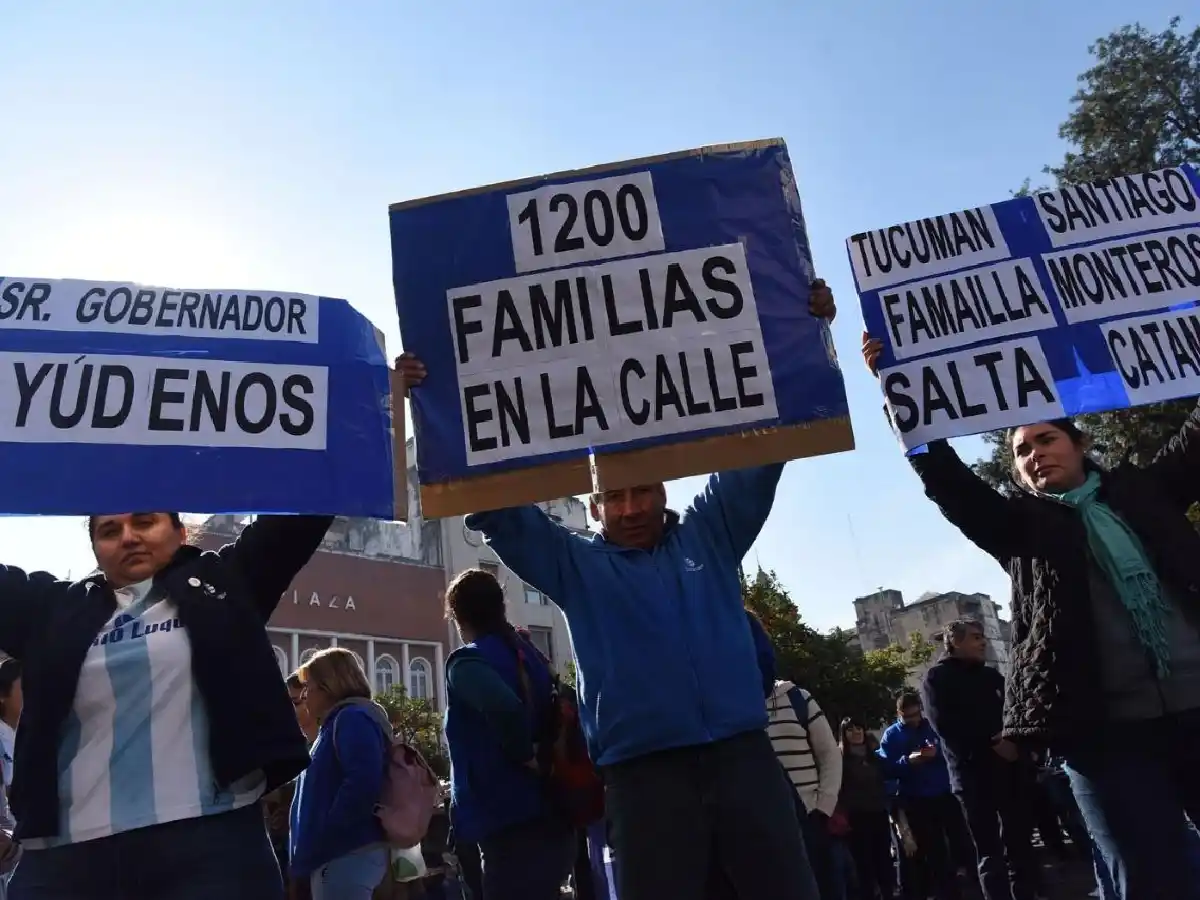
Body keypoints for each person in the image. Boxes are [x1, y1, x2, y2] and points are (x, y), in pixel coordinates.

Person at [398, 279, 837, 900]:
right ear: (594, 505)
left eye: (644, 491)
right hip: (643, 778)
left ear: (666, 491)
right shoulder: (574, 566)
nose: (631, 508)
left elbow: (764, 445)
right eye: (615, 497)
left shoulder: (711, 536)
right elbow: (496, 506)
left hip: (744, 762)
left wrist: (805, 329)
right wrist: (435, 393)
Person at [864, 332, 1200, 900]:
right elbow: (948, 483)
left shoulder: (1146, 491)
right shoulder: (1020, 527)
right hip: (1103, 738)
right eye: (1021, 451)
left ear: (1080, 442)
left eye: (1046, 439)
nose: (1034, 453)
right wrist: (899, 394)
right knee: (1148, 879)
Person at [0, 511, 330, 899]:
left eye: (144, 522)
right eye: (109, 531)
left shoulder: (228, 583)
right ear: (94, 548)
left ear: (180, 531)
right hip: (67, 858)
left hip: (210, 847)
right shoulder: (51, 609)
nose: (128, 537)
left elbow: (302, 511)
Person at [442, 568, 575, 900]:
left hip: (504, 815)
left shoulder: (467, 662)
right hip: (552, 805)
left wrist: (525, 755)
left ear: (457, 615)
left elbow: (504, 707)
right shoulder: (529, 654)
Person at [922, 620, 1040, 900]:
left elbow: (1014, 712)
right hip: (973, 778)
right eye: (976, 637)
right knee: (990, 852)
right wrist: (994, 741)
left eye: (983, 637)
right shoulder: (936, 679)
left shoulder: (991, 677)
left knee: (1020, 846)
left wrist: (1016, 743)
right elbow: (945, 726)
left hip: (1009, 772)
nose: (983, 642)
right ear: (955, 642)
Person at [290, 648, 392, 899]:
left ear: (328, 686)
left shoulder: (352, 719)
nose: (305, 695)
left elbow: (362, 783)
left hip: (345, 855)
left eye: (309, 686)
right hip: (335, 857)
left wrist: (328, 835)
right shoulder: (336, 723)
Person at [879, 693, 964, 900]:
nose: (914, 719)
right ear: (899, 714)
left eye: (917, 714)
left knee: (959, 843)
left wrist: (936, 755)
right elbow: (885, 769)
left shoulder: (932, 726)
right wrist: (908, 761)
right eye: (908, 717)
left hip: (945, 793)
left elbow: (953, 752)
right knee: (932, 851)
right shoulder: (891, 736)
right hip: (916, 800)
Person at [766, 680, 844, 900]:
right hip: (764, 823)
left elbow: (829, 752)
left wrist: (823, 806)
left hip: (810, 817)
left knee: (824, 887)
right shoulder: (733, 703)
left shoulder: (797, 697)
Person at [838, 718, 895, 900]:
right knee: (864, 867)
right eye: (850, 729)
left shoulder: (874, 757)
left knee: (884, 863)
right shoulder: (840, 760)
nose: (856, 732)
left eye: (859, 728)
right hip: (856, 818)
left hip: (878, 814)